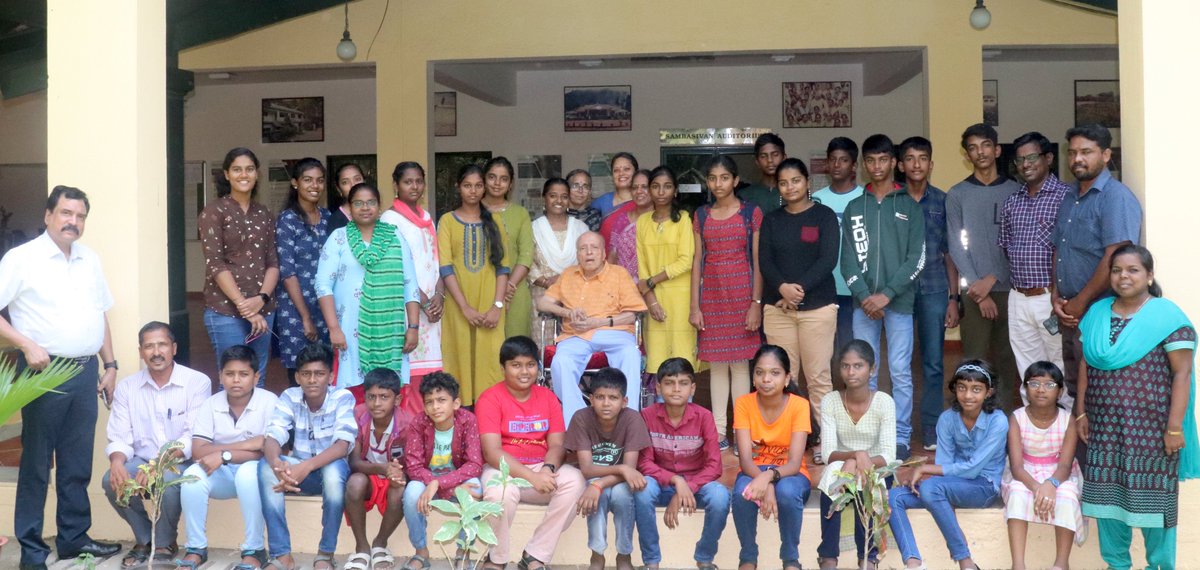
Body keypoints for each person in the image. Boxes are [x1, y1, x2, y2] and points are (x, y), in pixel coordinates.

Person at [0, 184, 122, 569]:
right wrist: (25, 344)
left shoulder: (90, 259)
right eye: (66, 213)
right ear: (48, 215)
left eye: (80, 216)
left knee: (76, 462)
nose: (74, 222)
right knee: (36, 464)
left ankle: (73, 540)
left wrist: (111, 365)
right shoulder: (22, 259)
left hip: (85, 371)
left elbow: (100, 313)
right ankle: (33, 551)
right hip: (41, 371)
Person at [1077, 245, 1199, 569]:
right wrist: (1081, 411)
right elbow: (1086, 365)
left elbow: (1182, 373)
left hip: (1153, 434)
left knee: (1155, 508)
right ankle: (1117, 565)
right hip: (1105, 432)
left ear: (1149, 276)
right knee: (1108, 507)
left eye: (1133, 270)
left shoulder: (1167, 317)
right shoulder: (1097, 313)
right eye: (1117, 270)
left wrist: (1174, 428)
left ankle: (1159, 566)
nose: (1123, 276)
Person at [841, 134, 925, 459]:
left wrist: (887, 295)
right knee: (865, 370)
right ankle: (870, 434)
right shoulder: (854, 208)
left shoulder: (909, 207)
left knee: (901, 370)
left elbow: (916, 258)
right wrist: (865, 295)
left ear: (893, 162)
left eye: (883, 160)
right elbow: (846, 257)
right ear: (864, 165)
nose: (877, 166)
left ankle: (901, 437)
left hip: (899, 302)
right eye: (871, 161)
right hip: (863, 305)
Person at [103, 321, 211, 567]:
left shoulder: (197, 382)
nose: (156, 352)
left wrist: (158, 465)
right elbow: (120, 435)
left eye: (162, 344)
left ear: (173, 348)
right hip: (141, 460)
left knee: (169, 479)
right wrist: (117, 461)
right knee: (111, 480)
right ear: (141, 352)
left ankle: (164, 542)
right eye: (149, 346)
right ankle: (144, 538)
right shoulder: (127, 387)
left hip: (180, 460)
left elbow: (193, 437)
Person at [477, 336, 586, 570]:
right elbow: (491, 452)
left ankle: (535, 555)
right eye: (516, 365)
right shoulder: (490, 398)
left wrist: (547, 469)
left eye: (530, 364)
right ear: (503, 368)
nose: (524, 372)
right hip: (504, 469)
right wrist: (531, 476)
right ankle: (497, 559)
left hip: (540, 469)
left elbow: (557, 445)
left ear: (538, 366)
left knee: (575, 481)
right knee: (498, 496)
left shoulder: (548, 398)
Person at [1051, 123, 1142, 405]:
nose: (1078, 158)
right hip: (1069, 310)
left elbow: (1115, 257)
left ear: (1105, 155)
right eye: (1073, 152)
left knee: (1098, 387)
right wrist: (1056, 295)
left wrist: (1080, 301)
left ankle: (1098, 448)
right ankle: (1081, 448)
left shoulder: (1116, 197)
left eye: (1087, 152)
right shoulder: (1069, 197)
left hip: (1099, 309)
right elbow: (1060, 249)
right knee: (1075, 386)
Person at [889, 360, 1008, 570]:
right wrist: (942, 492)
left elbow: (972, 469)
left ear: (988, 392)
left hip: (984, 487)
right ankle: (913, 562)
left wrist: (925, 468)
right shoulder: (947, 419)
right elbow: (945, 465)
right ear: (954, 389)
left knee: (931, 486)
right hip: (949, 488)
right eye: (962, 387)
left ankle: (965, 561)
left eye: (976, 389)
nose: (968, 395)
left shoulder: (997, 421)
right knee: (894, 496)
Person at [760, 157, 840, 451]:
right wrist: (782, 288)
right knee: (781, 378)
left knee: (819, 378)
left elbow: (828, 259)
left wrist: (799, 290)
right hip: (778, 309)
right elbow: (765, 261)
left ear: (807, 182)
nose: (790, 187)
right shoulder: (772, 220)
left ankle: (825, 443)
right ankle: (786, 440)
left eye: (795, 180)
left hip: (817, 308)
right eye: (783, 182)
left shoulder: (824, 216)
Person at [177, 345, 281, 570]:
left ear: (256, 377)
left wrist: (222, 453)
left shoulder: (269, 401)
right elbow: (198, 450)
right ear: (220, 376)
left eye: (243, 374)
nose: (236, 380)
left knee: (247, 472)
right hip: (221, 474)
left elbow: (268, 450)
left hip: (254, 475)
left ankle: (254, 550)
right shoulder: (211, 404)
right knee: (192, 475)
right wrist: (245, 446)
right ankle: (196, 548)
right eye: (230, 374)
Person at [317, 182, 421, 400]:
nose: (365, 208)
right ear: (350, 207)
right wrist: (334, 328)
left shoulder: (395, 237)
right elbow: (322, 285)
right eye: (358, 203)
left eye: (370, 202)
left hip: (390, 331)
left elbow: (409, 284)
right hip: (348, 331)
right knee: (351, 394)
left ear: (379, 206)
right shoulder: (338, 238)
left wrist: (413, 327)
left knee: (389, 392)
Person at [258, 342, 356, 570]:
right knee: (264, 466)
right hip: (297, 475)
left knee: (333, 472)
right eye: (306, 374)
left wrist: (306, 466)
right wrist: (277, 463)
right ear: (298, 377)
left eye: (319, 374)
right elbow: (273, 436)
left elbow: (342, 446)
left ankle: (325, 553)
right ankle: (282, 555)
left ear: (330, 376)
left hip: (330, 472)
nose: (312, 380)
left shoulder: (343, 397)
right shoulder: (289, 397)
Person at [691, 155, 764, 449]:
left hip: (743, 294)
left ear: (735, 180)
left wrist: (756, 302)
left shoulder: (751, 213)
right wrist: (694, 305)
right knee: (718, 365)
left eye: (723, 177)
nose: (717, 183)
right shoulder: (702, 215)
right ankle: (720, 432)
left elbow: (757, 261)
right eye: (712, 178)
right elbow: (698, 260)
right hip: (712, 297)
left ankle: (741, 431)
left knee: (741, 365)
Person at [947, 124, 1021, 411]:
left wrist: (993, 279)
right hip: (974, 293)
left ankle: (1001, 421)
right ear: (967, 154)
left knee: (1007, 359)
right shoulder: (957, 194)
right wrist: (979, 288)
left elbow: (1020, 244)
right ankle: (974, 421)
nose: (981, 152)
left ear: (997, 149)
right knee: (974, 362)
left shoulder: (1016, 191)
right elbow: (956, 245)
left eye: (986, 145)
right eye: (973, 147)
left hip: (1011, 291)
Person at [537, 231, 647, 423]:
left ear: (603, 253)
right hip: (576, 336)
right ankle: (578, 421)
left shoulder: (619, 274)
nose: (589, 253)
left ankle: (627, 421)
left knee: (631, 354)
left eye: (594, 248)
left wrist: (600, 322)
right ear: (577, 254)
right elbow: (543, 303)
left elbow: (632, 314)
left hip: (615, 334)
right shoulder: (568, 274)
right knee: (561, 362)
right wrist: (568, 313)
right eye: (583, 249)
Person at [634, 357, 729, 570]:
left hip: (696, 483)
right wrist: (676, 481)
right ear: (658, 387)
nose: (676, 389)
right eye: (669, 383)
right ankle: (651, 561)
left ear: (693, 388)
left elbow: (715, 466)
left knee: (721, 496)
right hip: (661, 481)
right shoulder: (646, 416)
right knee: (642, 490)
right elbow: (644, 462)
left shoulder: (704, 417)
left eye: (683, 383)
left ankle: (704, 557)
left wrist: (687, 486)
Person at [898, 136, 960, 451]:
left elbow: (950, 253)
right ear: (901, 165)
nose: (917, 164)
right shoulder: (893, 201)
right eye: (910, 158)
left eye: (923, 158)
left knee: (934, 362)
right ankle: (899, 429)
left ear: (931, 164)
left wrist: (954, 297)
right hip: (899, 291)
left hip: (935, 289)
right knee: (900, 362)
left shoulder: (943, 201)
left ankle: (932, 427)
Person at [198, 147, 279, 386]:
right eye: (237, 169)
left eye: (249, 169)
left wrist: (262, 298)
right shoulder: (214, 211)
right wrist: (245, 307)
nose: (244, 175)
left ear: (257, 174)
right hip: (225, 311)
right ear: (226, 174)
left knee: (257, 378)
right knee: (233, 379)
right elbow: (215, 263)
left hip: (264, 308)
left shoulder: (264, 213)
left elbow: (273, 263)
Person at [999, 132, 1069, 398]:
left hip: (1051, 297)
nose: (1025, 164)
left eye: (1031, 157)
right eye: (1019, 160)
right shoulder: (1012, 202)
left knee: (1059, 365)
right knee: (1028, 369)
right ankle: (1035, 431)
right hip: (1018, 298)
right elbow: (1006, 246)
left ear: (1048, 158)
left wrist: (1057, 292)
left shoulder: (1066, 197)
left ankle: (1062, 432)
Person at [731, 345, 812, 570]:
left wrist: (768, 478)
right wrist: (765, 483)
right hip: (753, 470)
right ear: (753, 377)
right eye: (759, 372)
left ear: (787, 378)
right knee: (742, 493)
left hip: (789, 472)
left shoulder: (799, 405)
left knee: (787, 492)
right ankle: (748, 558)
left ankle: (790, 560)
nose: (766, 379)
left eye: (774, 373)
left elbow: (795, 463)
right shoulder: (743, 403)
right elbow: (745, 460)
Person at [816, 340, 896, 570]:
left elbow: (889, 456)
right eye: (845, 366)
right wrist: (854, 456)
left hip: (877, 468)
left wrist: (863, 461)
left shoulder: (884, 402)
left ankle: (867, 557)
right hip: (842, 466)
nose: (851, 372)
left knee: (865, 478)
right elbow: (828, 453)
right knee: (833, 473)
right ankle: (829, 556)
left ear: (872, 369)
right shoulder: (831, 401)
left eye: (858, 366)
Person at [437, 164, 511, 405]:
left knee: (489, 359)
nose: (473, 191)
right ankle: (461, 419)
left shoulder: (495, 221)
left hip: (490, 302)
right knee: (459, 358)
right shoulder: (447, 221)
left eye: (478, 185)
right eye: (467, 185)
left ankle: (489, 416)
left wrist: (497, 306)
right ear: (458, 187)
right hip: (459, 305)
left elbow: (503, 267)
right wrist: (465, 308)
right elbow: (446, 267)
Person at [564, 368, 651, 570]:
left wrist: (600, 484)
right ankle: (597, 554)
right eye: (600, 397)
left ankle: (624, 554)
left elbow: (630, 471)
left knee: (621, 495)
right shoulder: (581, 418)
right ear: (591, 399)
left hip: (616, 482)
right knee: (597, 495)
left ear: (624, 401)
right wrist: (619, 470)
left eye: (613, 397)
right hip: (595, 476)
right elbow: (586, 468)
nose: (606, 403)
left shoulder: (632, 419)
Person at [1002, 361, 1084, 570]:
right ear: (1025, 389)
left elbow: (1065, 465)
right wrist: (1037, 487)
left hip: (1059, 473)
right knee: (1018, 493)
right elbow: (1017, 467)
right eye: (1034, 384)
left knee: (1066, 496)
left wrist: (1051, 483)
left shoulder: (1068, 420)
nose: (1041, 390)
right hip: (1025, 474)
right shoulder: (1016, 418)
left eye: (1049, 385)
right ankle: (1018, 564)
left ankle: (1061, 563)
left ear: (1060, 391)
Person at [402, 371, 484, 570]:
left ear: (455, 403)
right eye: (429, 402)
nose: (435, 407)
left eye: (441, 400)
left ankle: (462, 552)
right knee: (412, 493)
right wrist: (432, 482)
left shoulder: (467, 420)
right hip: (425, 479)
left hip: (456, 480)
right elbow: (413, 466)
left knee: (475, 490)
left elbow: (474, 464)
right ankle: (421, 552)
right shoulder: (419, 423)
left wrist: (439, 483)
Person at [380, 161, 445, 388]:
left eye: (418, 181)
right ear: (396, 185)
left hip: (432, 307)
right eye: (408, 182)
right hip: (409, 306)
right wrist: (423, 302)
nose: (414, 186)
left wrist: (439, 295)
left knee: (431, 376)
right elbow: (395, 267)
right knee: (410, 373)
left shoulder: (427, 217)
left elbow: (436, 261)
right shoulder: (389, 220)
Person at [345, 368, 414, 570]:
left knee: (400, 487)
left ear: (398, 399)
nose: (376, 403)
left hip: (394, 477)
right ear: (364, 397)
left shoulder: (407, 424)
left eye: (384, 397)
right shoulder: (358, 415)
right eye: (371, 397)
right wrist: (383, 468)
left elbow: (412, 467)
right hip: (367, 475)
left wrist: (397, 474)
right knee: (354, 482)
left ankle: (380, 543)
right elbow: (354, 462)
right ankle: (362, 547)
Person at [275, 157, 331, 386]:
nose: (314, 185)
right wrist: (305, 317)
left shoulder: (329, 218)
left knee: (326, 370)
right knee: (301, 375)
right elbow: (287, 272)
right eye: (308, 180)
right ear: (295, 183)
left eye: (319, 180)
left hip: (327, 306)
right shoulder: (288, 220)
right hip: (296, 311)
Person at [638, 165, 697, 376]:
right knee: (657, 359)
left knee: (682, 358)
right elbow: (641, 266)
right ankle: (661, 407)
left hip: (681, 297)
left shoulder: (684, 220)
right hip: (654, 299)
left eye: (667, 186)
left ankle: (686, 407)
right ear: (649, 190)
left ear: (676, 191)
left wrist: (653, 280)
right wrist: (651, 300)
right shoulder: (643, 222)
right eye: (655, 186)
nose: (661, 192)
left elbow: (686, 261)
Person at [811, 137, 864, 358]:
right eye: (832, 160)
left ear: (854, 166)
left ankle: (848, 392)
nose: (836, 165)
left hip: (854, 287)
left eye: (843, 160)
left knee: (850, 349)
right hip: (824, 286)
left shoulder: (865, 198)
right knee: (822, 351)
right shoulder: (816, 200)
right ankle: (828, 392)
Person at [529, 177, 589, 338]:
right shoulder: (532, 228)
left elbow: (588, 261)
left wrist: (563, 279)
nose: (559, 200)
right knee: (543, 345)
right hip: (541, 294)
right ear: (544, 198)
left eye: (564, 196)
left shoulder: (581, 228)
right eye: (553, 195)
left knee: (574, 342)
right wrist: (545, 281)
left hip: (575, 294)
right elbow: (527, 260)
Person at [483, 157, 535, 339]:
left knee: (515, 348)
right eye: (492, 177)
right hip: (481, 289)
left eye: (503, 179)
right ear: (484, 179)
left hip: (515, 291)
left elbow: (526, 254)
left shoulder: (520, 214)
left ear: (511, 184)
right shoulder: (472, 210)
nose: (497, 183)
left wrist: (509, 285)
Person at [600, 169, 652, 280]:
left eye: (644, 187)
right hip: (624, 287)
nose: (639, 191)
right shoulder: (621, 220)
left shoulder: (659, 221)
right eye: (634, 187)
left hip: (654, 286)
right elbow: (613, 256)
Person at [736, 133, 786, 214]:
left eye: (775, 155)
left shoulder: (792, 192)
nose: (770, 160)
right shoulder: (744, 195)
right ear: (757, 162)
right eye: (763, 156)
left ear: (784, 158)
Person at [592, 152, 638, 218]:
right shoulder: (602, 202)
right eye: (616, 170)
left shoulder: (644, 200)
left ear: (636, 172)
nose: (621, 173)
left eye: (626, 169)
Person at [329, 162, 366, 233]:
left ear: (364, 181)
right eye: (345, 182)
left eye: (357, 179)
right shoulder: (335, 221)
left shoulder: (374, 213)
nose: (353, 185)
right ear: (339, 189)